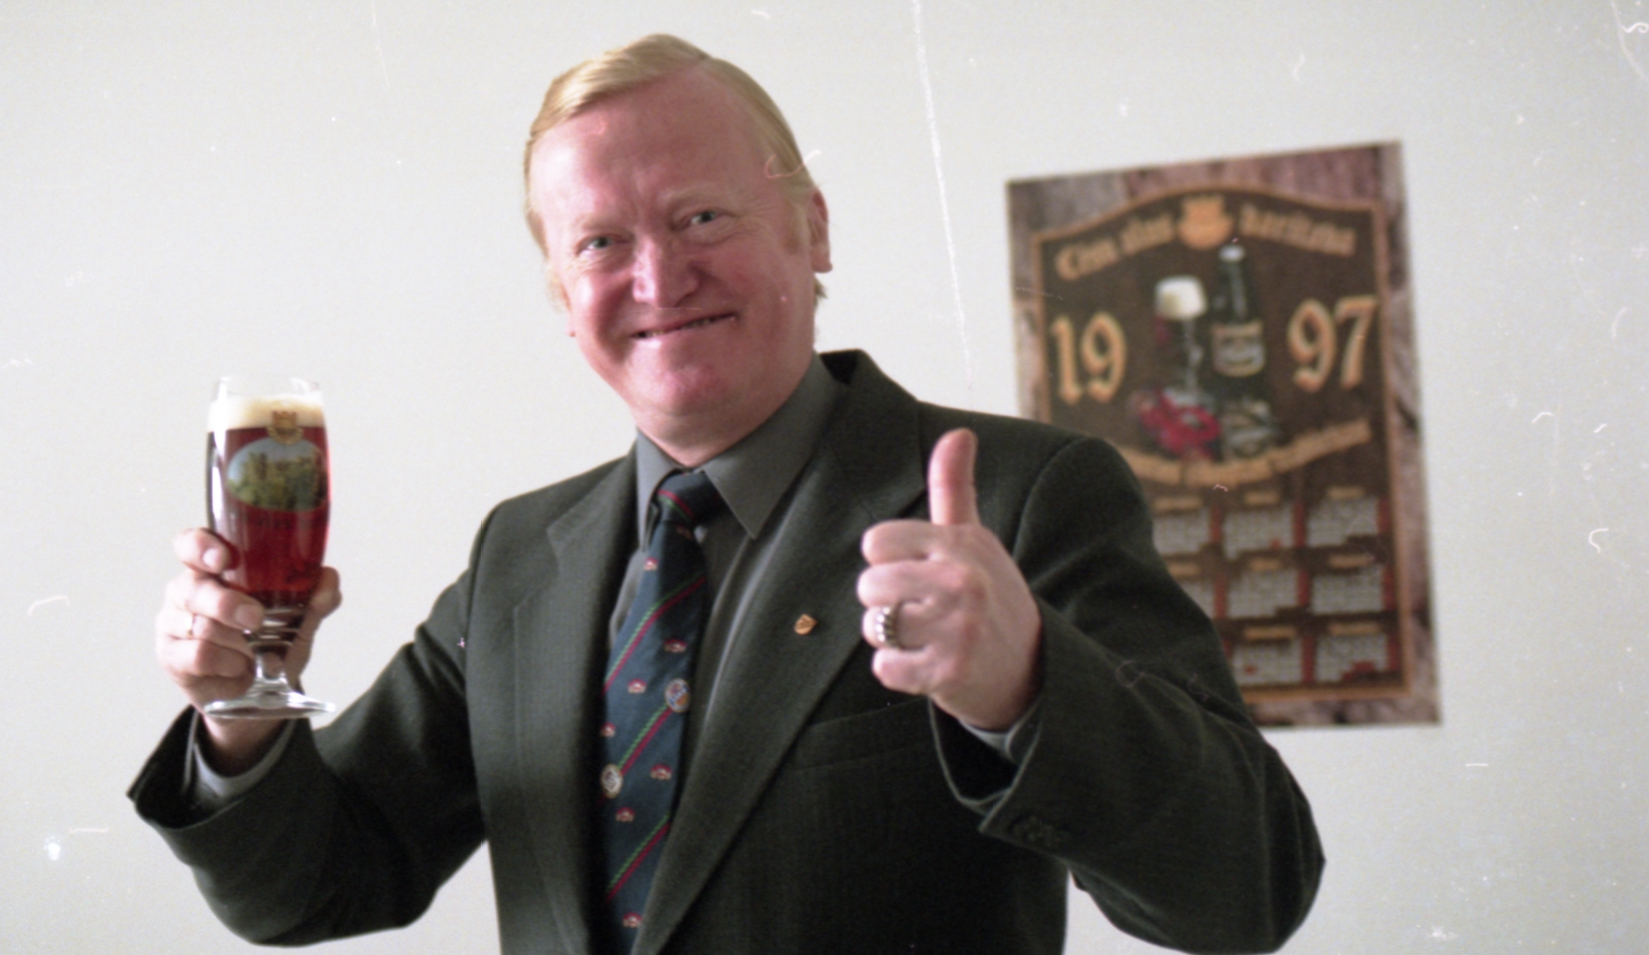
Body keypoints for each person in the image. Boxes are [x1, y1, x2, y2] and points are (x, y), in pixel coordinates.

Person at [131, 34, 1322, 955]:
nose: (659, 277)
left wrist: (1028, 689)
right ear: (561, 297)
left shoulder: (1019, 495)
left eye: (702, 216)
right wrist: (239, 716)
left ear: (812, 228)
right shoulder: (520, 555)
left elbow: (1249, 890)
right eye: (600, 243)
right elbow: (315, 886)